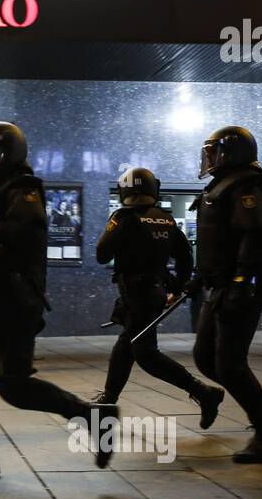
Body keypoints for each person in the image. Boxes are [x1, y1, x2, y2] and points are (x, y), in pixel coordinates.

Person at [0, 121, 118, 478]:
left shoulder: (23, 188)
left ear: (9, 151)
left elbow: (27, 234)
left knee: (12, 386)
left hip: (14, 303)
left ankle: (94, 416)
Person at [186, 126, 262, 463]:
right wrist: (199, 277)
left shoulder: (247, 184)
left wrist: (240, 281)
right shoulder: (222, 185)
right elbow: (216, 240)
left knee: (230, 365)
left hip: (239, 287)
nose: (208, 158)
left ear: (230, 152)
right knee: (206, 358)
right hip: (219, 285)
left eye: (213, 151)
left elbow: (254, 236)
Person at [94, 167, 225, 426]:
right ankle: (108, 399)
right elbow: (186, 257)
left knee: (145, 353)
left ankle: (204, 392)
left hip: (135, 292)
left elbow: (101, 254)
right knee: (127, 345)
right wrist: (177, 288)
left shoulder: (123, 217)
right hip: (154, 291)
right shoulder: (165, 218)